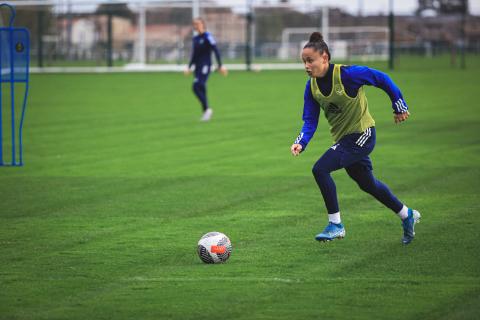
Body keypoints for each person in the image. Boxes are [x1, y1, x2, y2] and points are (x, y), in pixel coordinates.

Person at [291, 32, 421, 245]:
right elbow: (310, 121)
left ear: (324, 57)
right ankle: (407, 215)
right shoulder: (311, 87)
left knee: (320, 169)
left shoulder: (348, 75)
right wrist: (301, 142)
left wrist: (399, 104)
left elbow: (382, 79)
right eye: (304, 61)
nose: (306, 65)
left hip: (363, 134)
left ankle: (336, 225)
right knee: (368, 184)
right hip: (344, 140)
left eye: (310, 60)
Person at [184, 18, 227, 121]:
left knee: (196, 86)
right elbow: (194, 55)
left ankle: (207, 109)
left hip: (205, 66)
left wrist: (220, 65)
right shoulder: (195, 39)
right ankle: (206, 112)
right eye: (195, 24)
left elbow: (215, 50)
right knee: (201, 88)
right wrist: (189, 67)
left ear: (203, 25)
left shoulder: (208, 37)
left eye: (198, 24)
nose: (196, 26)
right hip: (198, 67)